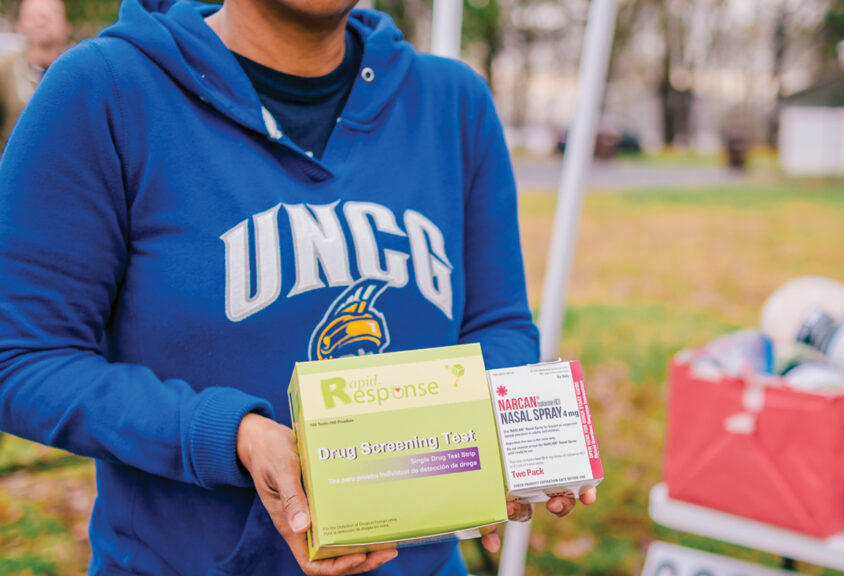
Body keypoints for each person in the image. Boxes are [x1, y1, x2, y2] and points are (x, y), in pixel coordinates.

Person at [0, 0, 596, 575]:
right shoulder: (107, 90)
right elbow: (21, 358)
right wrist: (230, 436)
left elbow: (499, 325)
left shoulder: (452, 103)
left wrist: (497, 446)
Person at [0, 0, 69, 152]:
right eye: (34, 15)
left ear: (66, 26)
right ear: (20, 24)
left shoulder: (78, 71)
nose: (41, 21)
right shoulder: (5, 70)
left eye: (49, 15)